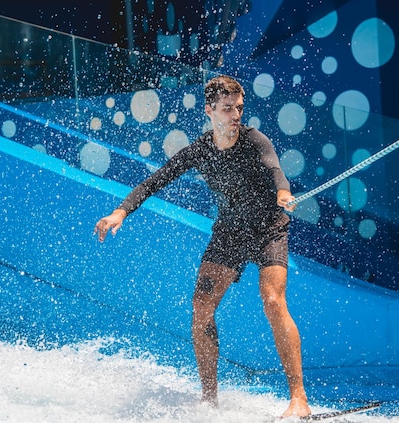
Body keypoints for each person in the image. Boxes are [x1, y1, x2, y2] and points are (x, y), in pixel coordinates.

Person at [94, 75, 311, 418]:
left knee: (272, 300)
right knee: (201, 306)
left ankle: (299, 399)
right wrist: (120, 211)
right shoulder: (200, 150)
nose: (236, 115)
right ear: (210, 110)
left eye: (239, 108)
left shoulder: (255, 140)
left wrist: (283, 193)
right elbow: (156, 180)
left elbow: (274, 168)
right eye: (227, 109)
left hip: (269, 228)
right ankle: (209, 400)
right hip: (231, 231)